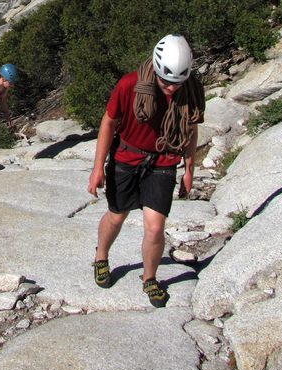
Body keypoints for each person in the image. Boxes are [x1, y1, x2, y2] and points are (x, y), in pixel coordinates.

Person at [87, 34, 205, 307]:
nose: (171, 89)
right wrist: (97, 168)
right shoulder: (129, 85)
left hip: (163, 161)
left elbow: (190, 128)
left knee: (155, 228)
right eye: (165, 82)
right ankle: (101, 256)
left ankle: (149, 278)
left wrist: (189, 168)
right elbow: (108, 122)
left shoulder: (190, 89)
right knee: (117, 216)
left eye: (177, 83)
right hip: (126, 157)